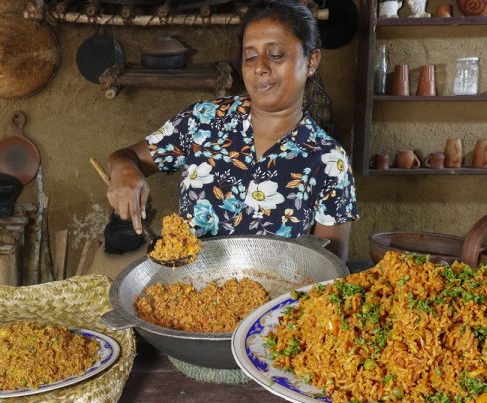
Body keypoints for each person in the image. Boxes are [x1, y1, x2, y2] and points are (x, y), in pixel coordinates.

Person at [105, 0, 358, 261]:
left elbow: (331, 268)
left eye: (275, 55)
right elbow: (125, 157)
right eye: (250, 56)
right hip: (188, 292)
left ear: (311, 61)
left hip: (279, 299)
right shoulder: (202, 121)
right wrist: (124, 170)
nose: (259, 67)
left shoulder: (329, 160)